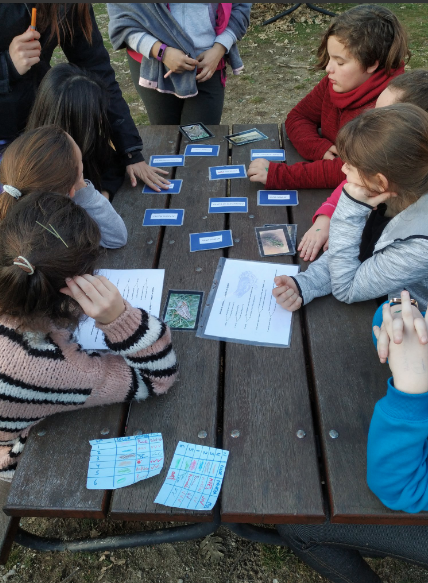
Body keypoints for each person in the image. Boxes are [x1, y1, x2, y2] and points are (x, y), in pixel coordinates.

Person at [0, 191, 178, 481]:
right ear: (77, 285)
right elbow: (156, 378)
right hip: (18, 459)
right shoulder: (49, 365)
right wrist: (121, 320)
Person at [276, 293, 428, 583]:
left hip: (403, 478)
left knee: (303, 523)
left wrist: (412, 389)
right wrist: (400, 316)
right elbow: (385, 315)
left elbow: (401, 488)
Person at [272, 104, 428, 314]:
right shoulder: (397, 191)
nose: (343, 168)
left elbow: (346, 288)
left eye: (350, 166)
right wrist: (306, 283)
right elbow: (351, 248)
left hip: (403, 321)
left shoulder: (419, 245)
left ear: (380, 181)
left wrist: (349, 210)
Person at [0, 3, 170, 193]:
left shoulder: (68, 5)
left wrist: (130, 151)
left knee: (104, 172)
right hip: (8, 136)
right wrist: (7, 65)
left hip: (40, 124)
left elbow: (97, 70)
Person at [247, 4, 409, 191]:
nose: (328, 68)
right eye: (330, 58)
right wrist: (318, 147)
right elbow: (298, 116)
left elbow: (354, 170)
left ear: (371, 64)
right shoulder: (335, 83)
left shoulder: (389, 106)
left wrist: (280, 175)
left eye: (340, 62)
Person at [299, 69, 428, 262]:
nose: (369, 120)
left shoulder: (413, 240)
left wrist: (345, 231)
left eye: (382, 117)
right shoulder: (395, 175)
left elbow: (349, 281)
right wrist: (328, 215)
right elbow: (355, 177)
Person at [107, 3, 251, 125]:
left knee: (201, 143)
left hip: (207, 64)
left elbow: (241, 8)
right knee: (166, 140)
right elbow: (121, 17)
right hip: (155, 65)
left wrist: (220, 47)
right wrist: (161, 52)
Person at [0, 126, 127, 249]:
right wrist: (83, 190)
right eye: (81, 162)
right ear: (71, 191)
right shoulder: (61, 233)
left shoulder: (10, 194)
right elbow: (117, 237)